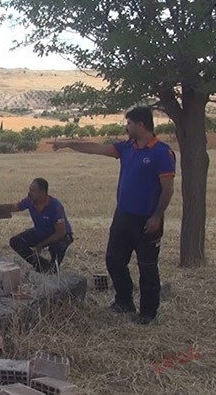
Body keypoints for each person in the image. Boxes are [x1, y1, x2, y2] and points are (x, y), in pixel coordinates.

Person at [53, 106, 176, 325]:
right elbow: (97, 149)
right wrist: (68, 144)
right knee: (114, 260)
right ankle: (124, 301)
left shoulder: (161, 153)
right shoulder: (126, 148)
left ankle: (148, 314)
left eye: (128, 123)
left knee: (147, 268)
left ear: (140, 124)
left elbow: (167, 189)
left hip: (148, 220)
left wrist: (157, 217)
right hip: (123, 217)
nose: (126, 127)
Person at [0, 177, 74, 273]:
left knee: (57, 247)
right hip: (41, 231)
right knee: (15, 242)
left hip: (60, 235)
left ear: (42, 193)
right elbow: (13, 207)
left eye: (32, 191)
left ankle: (53, 268)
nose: (29, 193)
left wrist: (40, 246)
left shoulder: (55, 206)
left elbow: (60, 233)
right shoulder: (29, 201)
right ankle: (43, 266)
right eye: (29, 189)